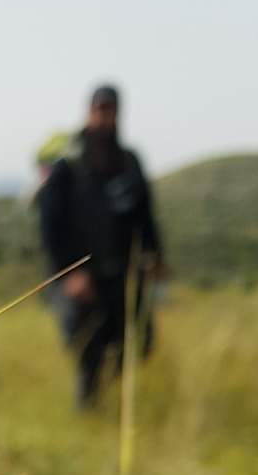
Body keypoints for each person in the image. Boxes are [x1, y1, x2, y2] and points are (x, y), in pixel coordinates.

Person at [38, 85, 167, 409]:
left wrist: (156, 256)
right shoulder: (68, 163)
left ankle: (116, 399)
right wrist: (69, 273)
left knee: (139, 340)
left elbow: (145, 214)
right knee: (88, 349)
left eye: (111, 109)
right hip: (79, 277)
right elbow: (50, 224)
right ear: (89, 111)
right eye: (100, 109)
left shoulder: (129, 162)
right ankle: (89, 412)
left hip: (122, 273)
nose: (105, 116)